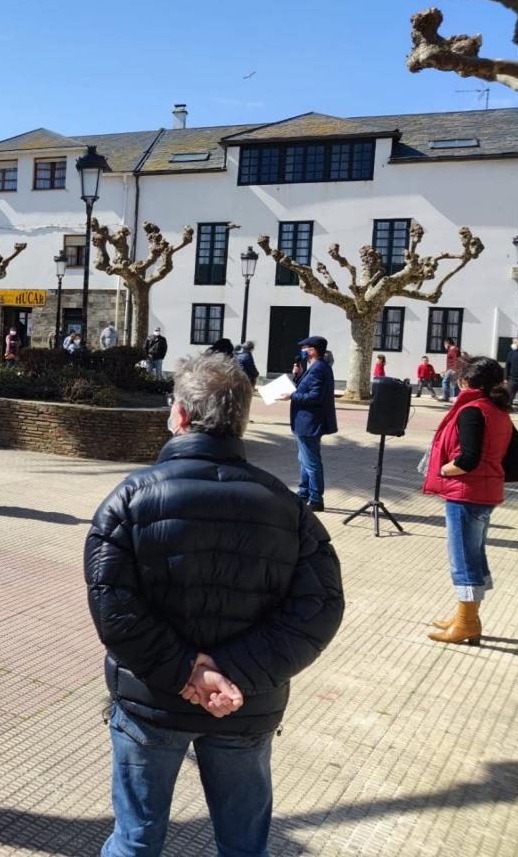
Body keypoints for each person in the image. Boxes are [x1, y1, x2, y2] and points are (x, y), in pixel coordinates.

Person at [85, 353, 344, 857]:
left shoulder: (130, 499)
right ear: (241, 420)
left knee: (135, 839)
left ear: (179, 415)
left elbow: (114, 607)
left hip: (152, 702)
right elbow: (319, 608)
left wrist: (191, 673)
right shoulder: (287, 507)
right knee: (244, 845)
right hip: (244, 706)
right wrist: (230, 675)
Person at [423, 356, 514, 645]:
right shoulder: (498, 409)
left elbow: (468, 459)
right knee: (474, 554)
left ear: (465, 381)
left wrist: (442, 469)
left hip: (467, 492)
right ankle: (466, 616)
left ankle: (466, 622)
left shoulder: (472, 410)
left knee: (463, 559)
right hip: (484, 492)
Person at [279, 335, 338, 512]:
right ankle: (304, 493)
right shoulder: (312, 367)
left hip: (310, 422)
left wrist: (292, 396)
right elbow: (304, 388)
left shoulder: (319, 368)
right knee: (304, 460)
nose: (302, 351)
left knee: (311, 462)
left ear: (313, 350)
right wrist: (296, 375)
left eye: (305, 348)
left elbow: (315, 397)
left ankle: (316, 499)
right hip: (305, 422)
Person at [442, 337, 462, 402]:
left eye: (444, 344)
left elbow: (457, 359)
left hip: (453, 369)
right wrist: (446, 370)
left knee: (445, 381)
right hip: (451, 369)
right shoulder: (452, 349)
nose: (444, 346)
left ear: (447, 343)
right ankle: (455, 398)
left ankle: (446, 397)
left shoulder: (454, 349)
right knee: (454, 383)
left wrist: (455, 369)